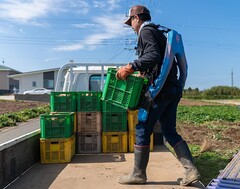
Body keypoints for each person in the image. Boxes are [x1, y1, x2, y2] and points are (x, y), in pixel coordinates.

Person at [116, 5, 200, 186]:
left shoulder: (146, 31)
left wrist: (130, 67)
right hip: (172, 89)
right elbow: (158, 60)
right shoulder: (158, 32)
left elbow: (153, 55)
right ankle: (190, 170)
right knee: (169, 131)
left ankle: (138, 175)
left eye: (131, 21)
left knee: (142, 128)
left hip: (159, 92)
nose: (131, 26)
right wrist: (142, 72)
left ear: (137, 18)